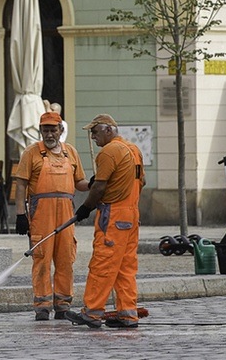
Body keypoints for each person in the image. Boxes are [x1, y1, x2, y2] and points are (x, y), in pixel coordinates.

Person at [65, 113, 146, 329]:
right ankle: (127, 314)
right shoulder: (133, 150)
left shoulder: (109, 152)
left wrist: (86, 207)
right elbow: (141, 182)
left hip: (113, 216)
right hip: (132, 215)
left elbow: (99, 188)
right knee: (124, 267)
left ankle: (92, 312)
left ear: (108, 129)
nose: (92, 136)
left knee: (102, 264)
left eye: (95, 131)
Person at [13, 111, 90, 321]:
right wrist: (20, 214)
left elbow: (80, 183)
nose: (49, 134)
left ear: (60, 130)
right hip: (41, 215)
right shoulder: (31, 153)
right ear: (40, 131)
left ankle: (63, 305)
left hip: (66, 214)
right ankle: (42, 306)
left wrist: (95, 183)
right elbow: (21, 184)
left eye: (53, 130)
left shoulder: (71, 153)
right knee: (42, 259)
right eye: (45, 130)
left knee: (66, 259)